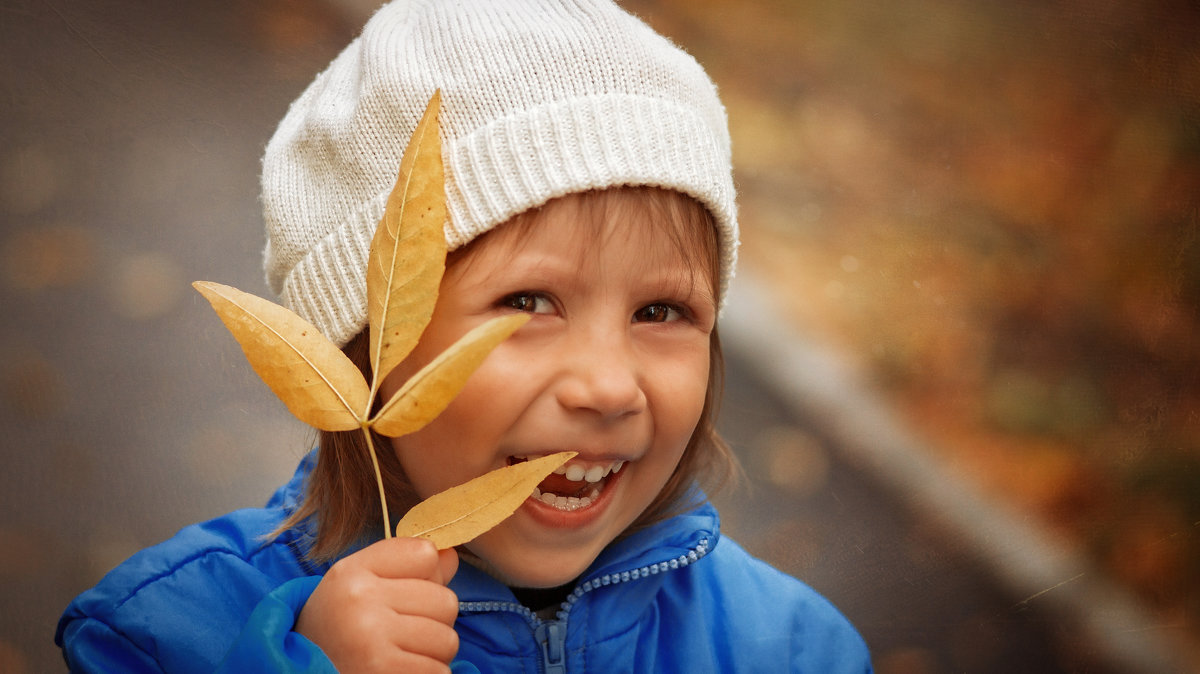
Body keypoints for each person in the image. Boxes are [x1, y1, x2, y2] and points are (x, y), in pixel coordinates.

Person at [56, 1, 872, 671]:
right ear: (361, 351)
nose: (609, 385)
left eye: (660, 312)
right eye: (529, 301)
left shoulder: (792, 649)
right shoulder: (166, 636)